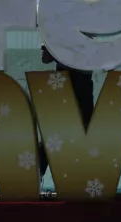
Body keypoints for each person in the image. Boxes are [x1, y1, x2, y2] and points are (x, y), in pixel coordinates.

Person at [38, 44, 95, 188]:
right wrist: (51, 48)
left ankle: (81, 177)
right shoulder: (59, 38)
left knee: (85, 131)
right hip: (64, 85)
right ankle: (37, 172)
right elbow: (45, 59)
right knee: (53, 132)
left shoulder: (88, 38)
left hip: (83, 86)